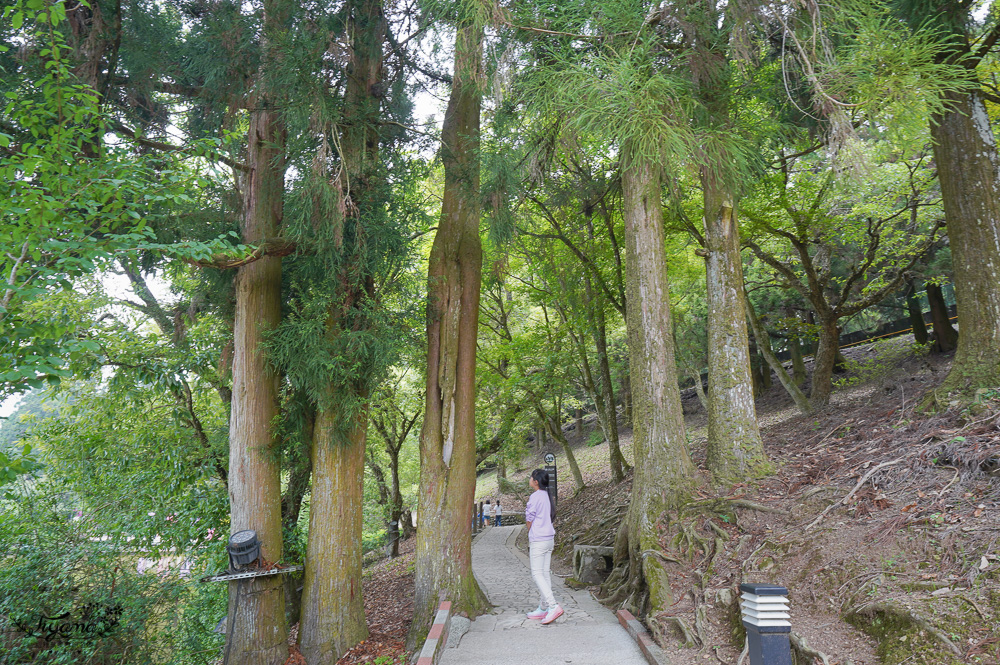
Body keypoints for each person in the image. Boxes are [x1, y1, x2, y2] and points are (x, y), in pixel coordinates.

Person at [525, 469, 562, 625]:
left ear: (536, 481)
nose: (529, 479)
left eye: (531, 477)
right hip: (549, 539)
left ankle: (553, 605)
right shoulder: (548, 496)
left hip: (539, 540)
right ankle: (543, 606)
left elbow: (529, 518)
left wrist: (530, 531)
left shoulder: (535, 496)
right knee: (545, 573)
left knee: (537, 574)